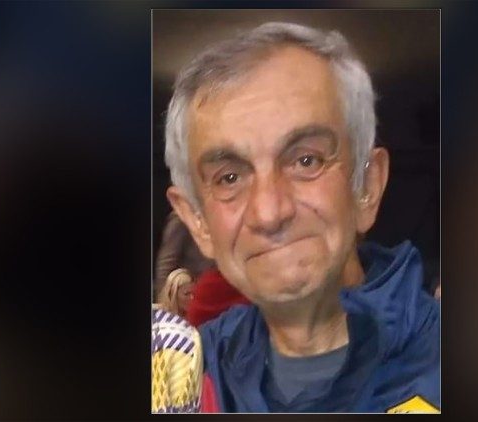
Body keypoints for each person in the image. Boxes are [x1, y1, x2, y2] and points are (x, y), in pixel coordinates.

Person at [163, 22, 440, 413]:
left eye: (306, 160)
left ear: (367, 186)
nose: (269, 212)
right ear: (197, 222)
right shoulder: (187, 376)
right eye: (229, 178)